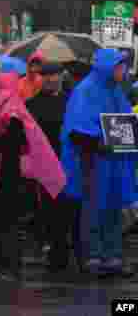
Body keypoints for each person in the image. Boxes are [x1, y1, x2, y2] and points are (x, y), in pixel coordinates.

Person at [0, 71, 65, 281]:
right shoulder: (15, 105)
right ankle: (7, 267)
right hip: (10, 172)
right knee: (8, 223)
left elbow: (12, 138)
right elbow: (17, 139)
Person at [60, 48, 137, 276]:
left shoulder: (115, 91)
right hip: (92, 162)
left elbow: (125, 123)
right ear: (107, 67)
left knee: (113, 209)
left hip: (112, 161)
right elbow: (77, 129)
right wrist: (99, 144)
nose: (124, 71)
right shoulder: (86, 91)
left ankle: (112, 257)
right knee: (94, 208)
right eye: (119, 66)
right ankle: (92, 257)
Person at [26, 63, 71, 270]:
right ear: (40, 78)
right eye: (46, 76)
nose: (51, 79)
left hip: (69, 161)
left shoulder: (71, 101)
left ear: (61, 76)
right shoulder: (31, 104)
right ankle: (53, 249)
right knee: (48, 208)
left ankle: (64, 248)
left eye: (54, 75)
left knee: (67, 208)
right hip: (44, 163)